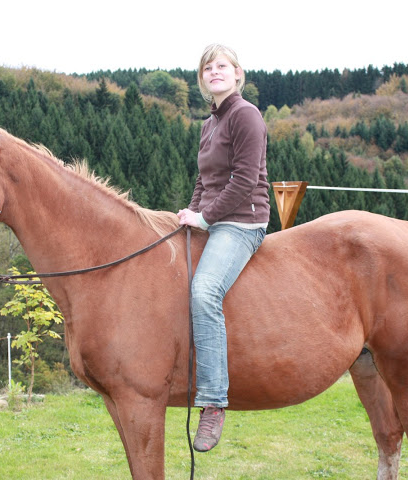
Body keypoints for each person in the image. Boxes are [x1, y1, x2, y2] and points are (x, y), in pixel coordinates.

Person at [177, 44, 270, 453]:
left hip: (243, 222)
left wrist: (207, 218)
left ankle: (213, 402)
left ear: (237, 74)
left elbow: (245, 179)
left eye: (222, 66)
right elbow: (205, 179)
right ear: (202, 80)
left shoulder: (245, 115)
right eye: (207, 68)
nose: (214, 72)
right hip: (214, 217)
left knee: (204, 291)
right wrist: (191, 213)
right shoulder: (209, 124)